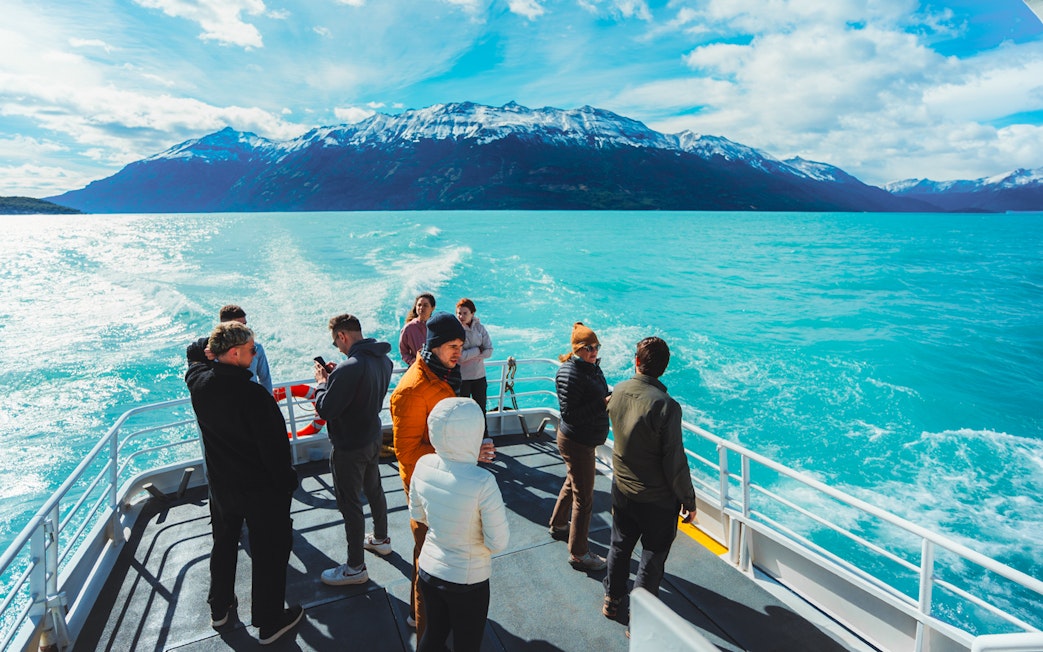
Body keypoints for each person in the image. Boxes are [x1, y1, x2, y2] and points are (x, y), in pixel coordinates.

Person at [185, 321, 303, 646]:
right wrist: (288, 484)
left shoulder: (199, 384)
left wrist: (211, 346)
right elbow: (277, 455)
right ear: (235, 353)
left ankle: (219, 608)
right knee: (269, 551)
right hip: (260, 492)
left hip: (222, 487)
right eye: (252, 350)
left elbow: (195, 355)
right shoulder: (256, 398)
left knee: (224, 543)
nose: (255, 355)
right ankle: (269, 622)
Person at [390, 311, 496, 634]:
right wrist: (463, 451)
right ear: (432, 346)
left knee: (440, 555)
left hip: (447, 480)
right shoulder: (411, 390)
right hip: (426, 489)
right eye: (451, 346)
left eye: (460, 345)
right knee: (427, 558)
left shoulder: (443, 376)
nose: (458, 353)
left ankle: (432, 617)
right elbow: (406, 453)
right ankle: (423, 627)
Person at [602, 337, 697, 622]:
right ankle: (639, 619)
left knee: (619, 545)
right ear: (664, 369)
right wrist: (688, 500)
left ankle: (612, 599)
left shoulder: (618, 391)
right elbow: (674, 461)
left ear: (637, 361)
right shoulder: (667, 406)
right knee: (652, 557)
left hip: (622, 487)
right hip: (656, 499)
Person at [409, 398, 510, 652]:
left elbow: (417, 514)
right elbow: (498, 542)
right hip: (468, 581)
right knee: (467, 644)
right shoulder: (483, 482)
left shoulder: (422, 465)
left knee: (433, 635)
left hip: (430, 570)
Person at [313, 314, 395, 586]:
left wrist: (323, 384)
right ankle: (381, 539)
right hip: (372, 436)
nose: (337, 347)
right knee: (374, 489)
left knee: (350, 505)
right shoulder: (383, 360)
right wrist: (338, 376)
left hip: (349, 445)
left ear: (343, 336)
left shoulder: (350, 368)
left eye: (336, 341)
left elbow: (325, 409)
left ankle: (355, 567)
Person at [548, 322, 610, 571]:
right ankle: (579, 553)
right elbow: (571, 414)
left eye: (596, 346)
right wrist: (602, 403)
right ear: (577, 349)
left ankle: (558, 524)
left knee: (572, 482)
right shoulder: (572, 373)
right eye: (588, 348)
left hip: (580, 439)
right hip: (578, 441)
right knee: (584, 499)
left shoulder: (588, 367)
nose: (594, 351)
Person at [455, 298, 493, 426]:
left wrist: (469, 354)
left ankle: (484, 436)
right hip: (462, 378)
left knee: (481, 410)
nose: (461, 316)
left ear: (472, 313)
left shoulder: (480, 328)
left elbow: (489, 351)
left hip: (479, 377)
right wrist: (477, 351)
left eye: (465, 313)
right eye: (459, 313)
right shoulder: (455, 331)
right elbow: (460, 357)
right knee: (463, 411)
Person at [219, 304, 273, 394]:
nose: (245, 329)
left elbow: (265, 379)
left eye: (245, 324)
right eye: (239, 325)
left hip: (254, 401)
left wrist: (268, 402)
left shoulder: (257, 348)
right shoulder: (213, 352)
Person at [399, 293, 436, 366]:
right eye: (419, 305)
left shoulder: (437, 326)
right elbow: (404, 352)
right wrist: (413, 361)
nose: (421, 308)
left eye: (425, 305)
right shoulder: (408, 328)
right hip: (417, 368)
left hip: (435, 369)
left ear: (432, 308)